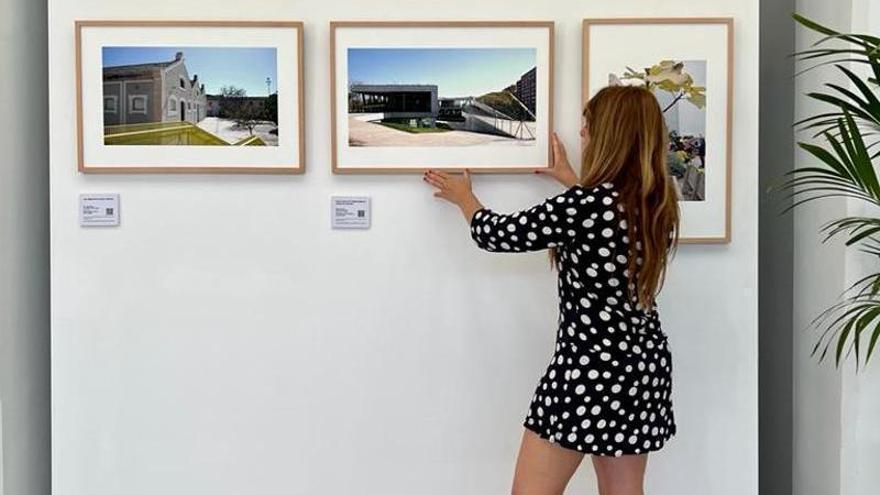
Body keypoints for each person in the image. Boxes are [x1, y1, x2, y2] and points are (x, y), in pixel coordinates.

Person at [423, 85, 680, 495]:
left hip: (589, 373)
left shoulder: (584, 207)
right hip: (642, 369)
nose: (581, 135)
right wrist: (572, 182)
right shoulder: (655, 205)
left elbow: (497, 234)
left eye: (588, 127)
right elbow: (604, 234)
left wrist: (464, 198)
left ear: (608, 135)